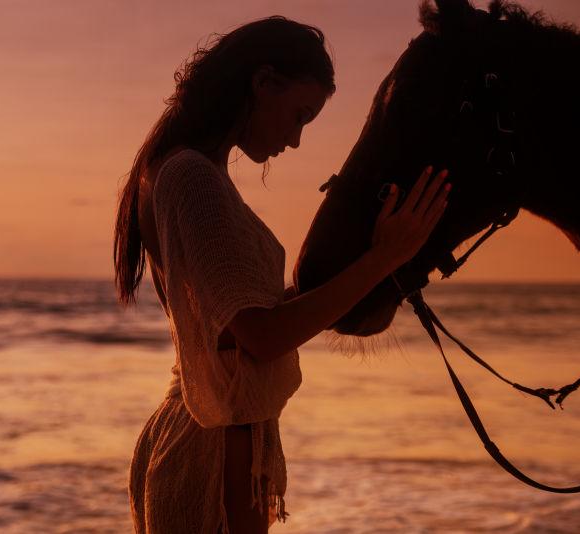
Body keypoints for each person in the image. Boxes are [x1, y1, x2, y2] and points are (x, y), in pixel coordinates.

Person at [114, 15, 450, 534]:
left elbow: (245, 323)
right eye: (299, 116)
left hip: (214, 437)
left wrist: (378, 262)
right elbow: (262, 336)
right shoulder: (192, 176)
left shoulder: (184, 170)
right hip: (215, 449)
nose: (294, 140)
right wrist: (383, 258)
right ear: (263, 82)